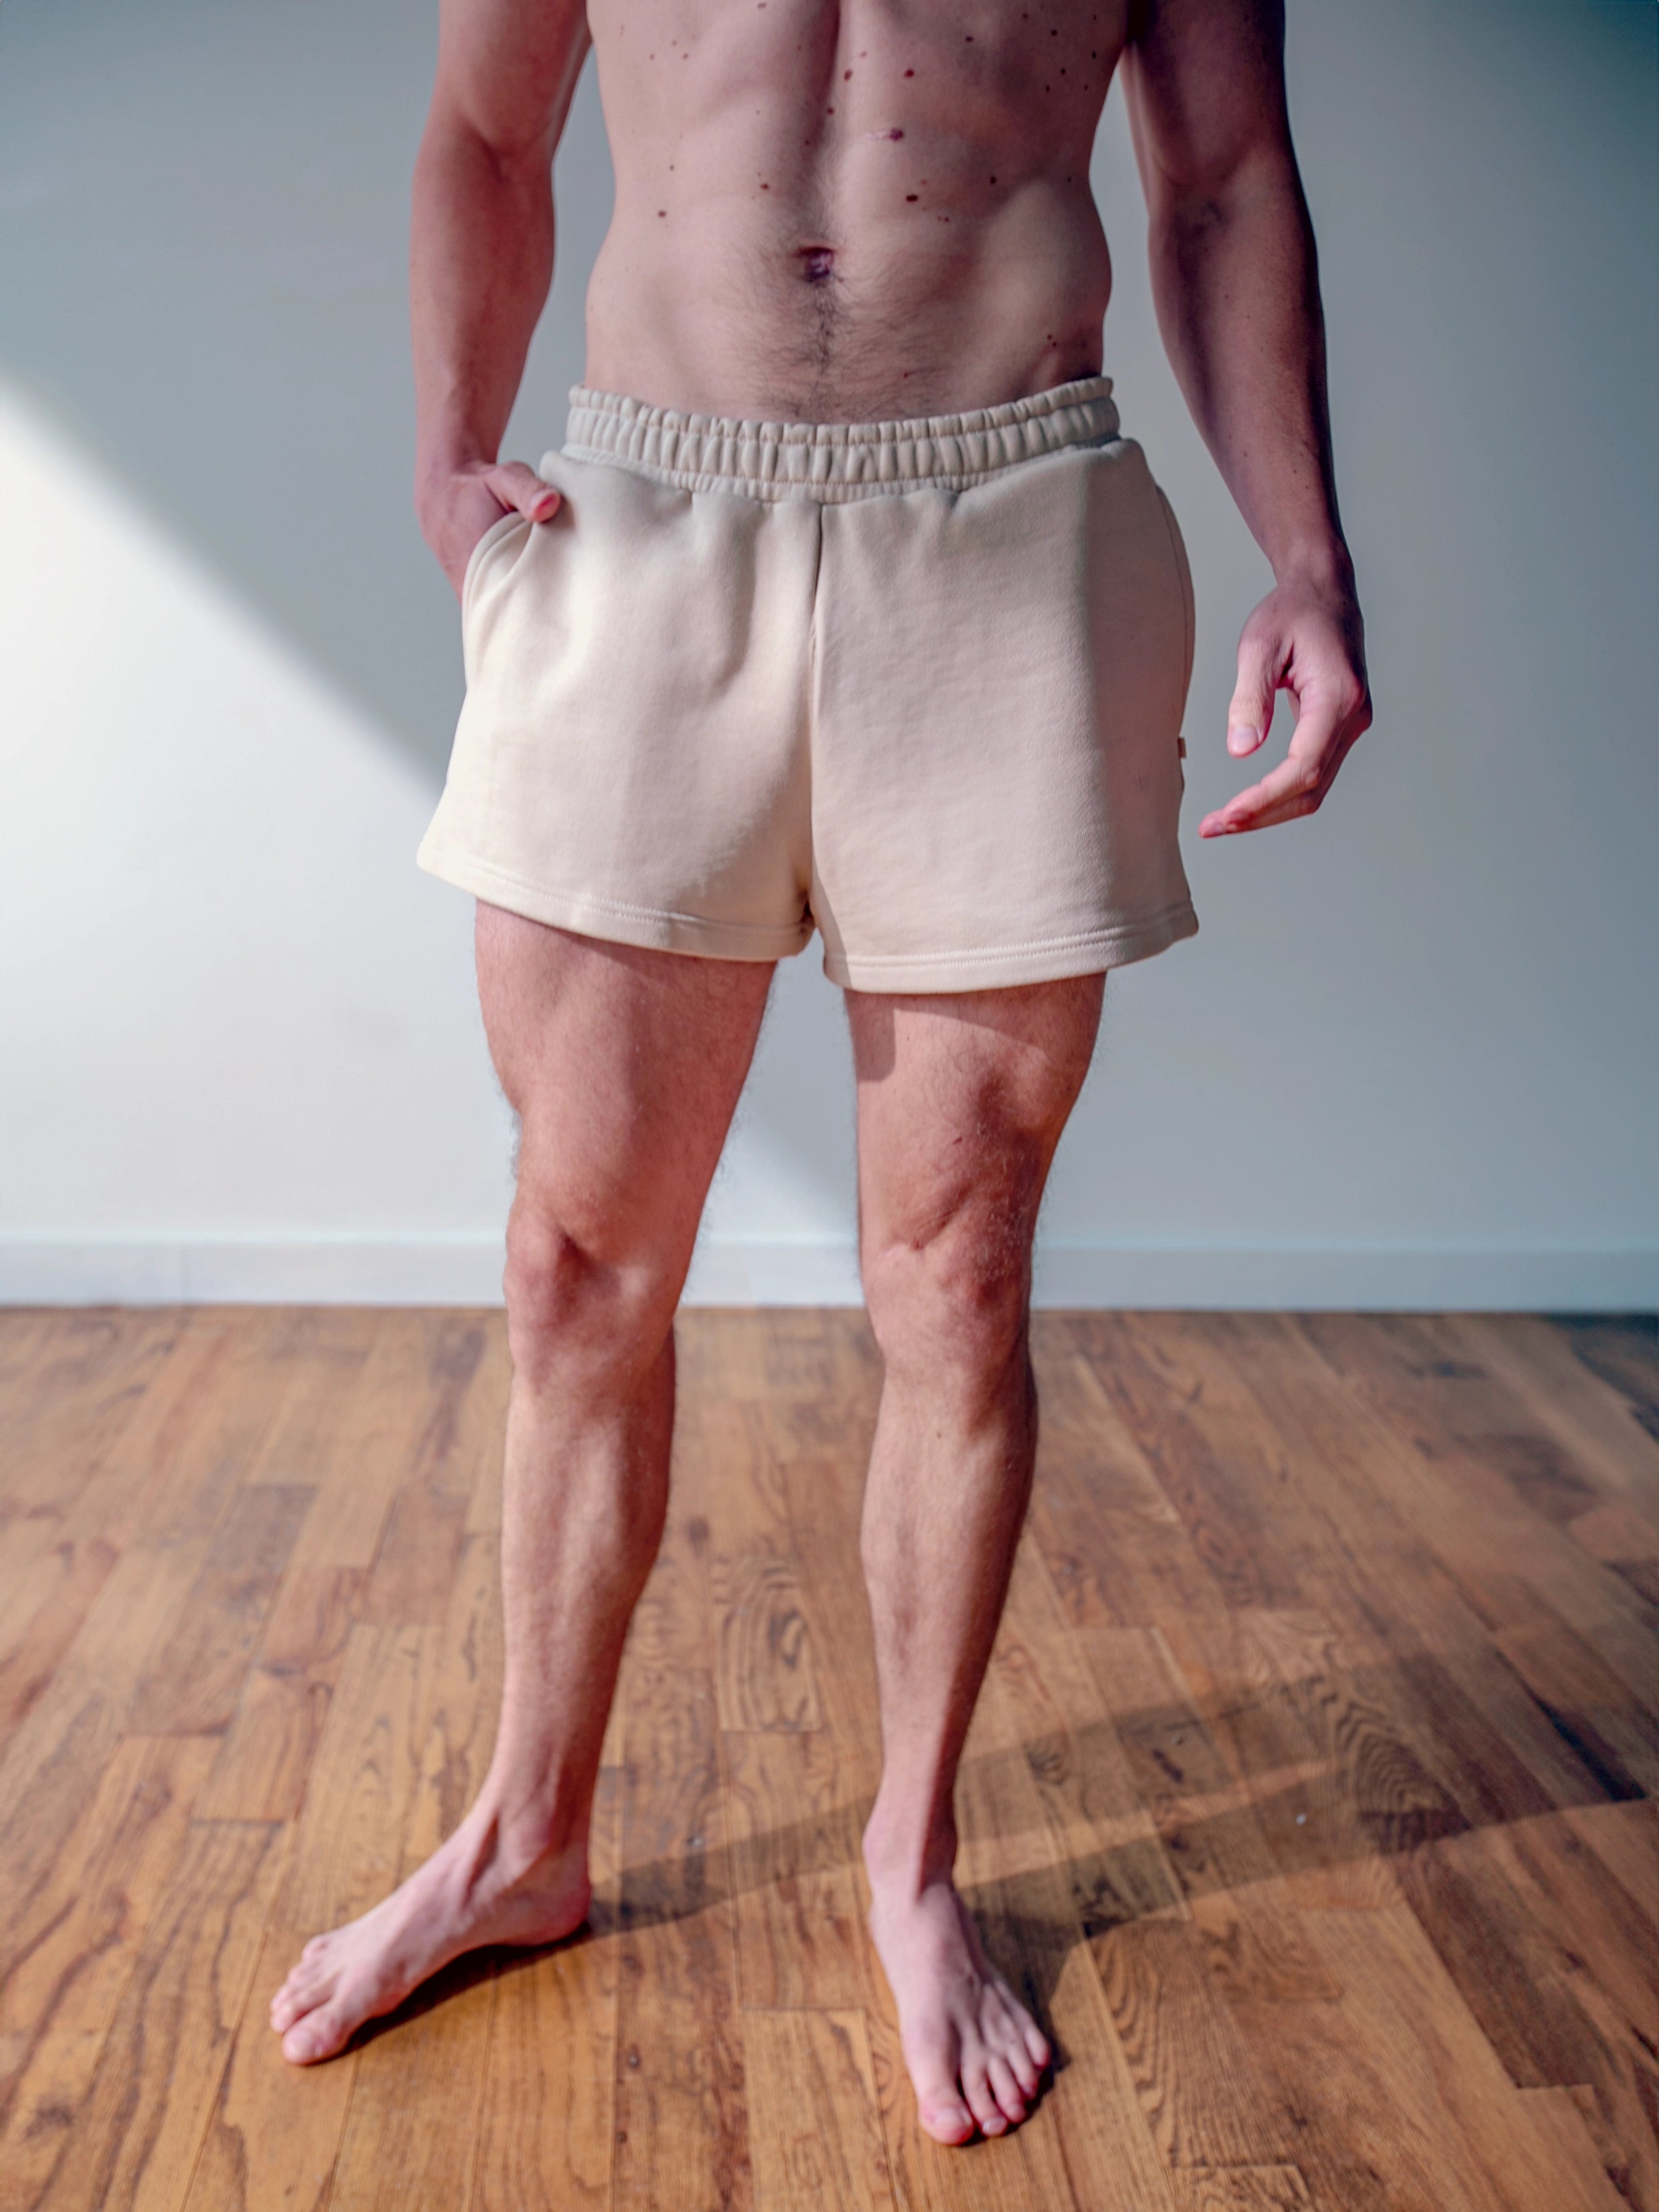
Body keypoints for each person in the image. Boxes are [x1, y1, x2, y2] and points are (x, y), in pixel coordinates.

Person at [269, 0, 1370, 2146]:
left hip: (1010, 526)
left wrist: (1310, 558)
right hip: (646, 515)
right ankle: (522, 1834)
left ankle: (911, 1857)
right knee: (577, 1265)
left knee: (955, 1283)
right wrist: (446, 447)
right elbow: (486, 130)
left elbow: (1227, 176)